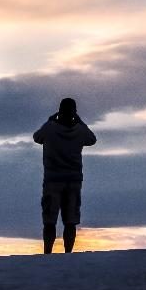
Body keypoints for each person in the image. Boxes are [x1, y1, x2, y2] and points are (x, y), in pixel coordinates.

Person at [33, 98, 97, 253]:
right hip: (73, 180)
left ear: (59, 111)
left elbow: (37, 137)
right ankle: (68, 253)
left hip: (52, 180)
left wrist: (48, 122)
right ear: (74, 112)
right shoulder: (80, 131)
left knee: (49, 220)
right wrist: (81, 122)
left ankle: (48, 252)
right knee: (70, 221)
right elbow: (92, 139)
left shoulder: (49, 128)